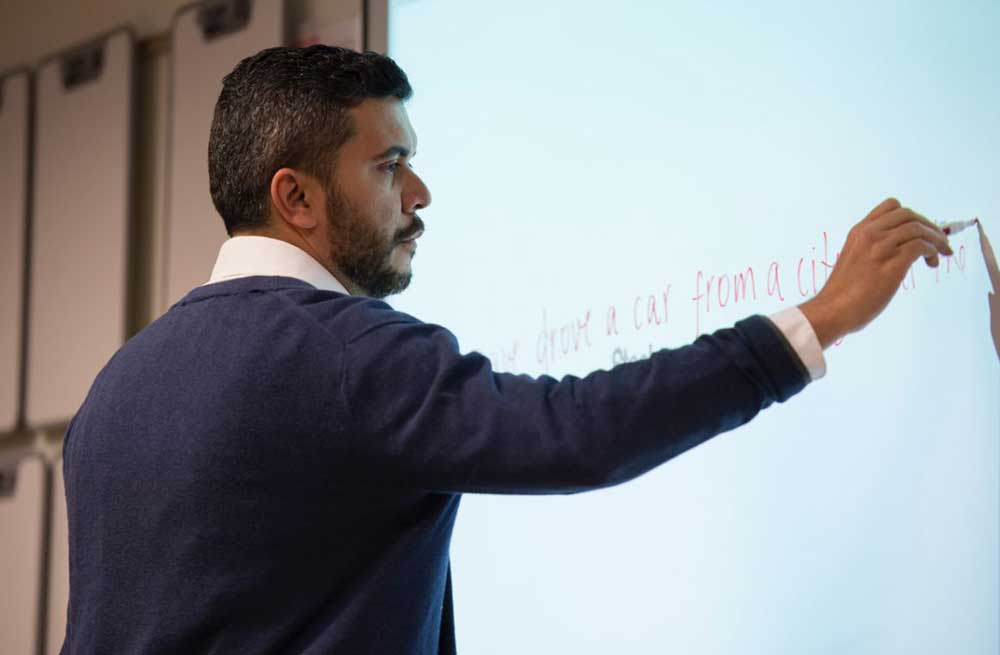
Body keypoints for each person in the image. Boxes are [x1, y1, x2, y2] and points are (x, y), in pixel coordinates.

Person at [59, 45, 953, 654]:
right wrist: (818, 319)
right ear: (296, 197)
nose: (421, 191)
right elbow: (577, 432)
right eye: (388, 165)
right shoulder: (341, 354)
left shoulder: (113, 389)